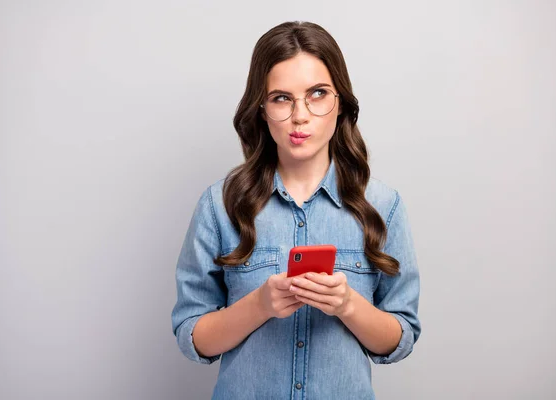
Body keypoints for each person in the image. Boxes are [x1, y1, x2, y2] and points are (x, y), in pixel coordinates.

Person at [171, 21, 421, 399]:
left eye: (317, 94)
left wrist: (348, 304)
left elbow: (399, 339)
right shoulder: (219, 206)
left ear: (340, 103)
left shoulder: (383, 207)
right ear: (262, 108)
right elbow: (193, 337)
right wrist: (258, 305)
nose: (299, 116)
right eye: (281, 98)